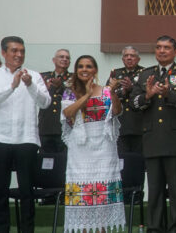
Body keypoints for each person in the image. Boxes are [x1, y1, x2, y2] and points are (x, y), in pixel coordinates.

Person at [130, 36, 176, 233]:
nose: (162, 51)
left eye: (167, 48)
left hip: (175, 142)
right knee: (155, 191)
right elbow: (133, 104)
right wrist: (148, 95)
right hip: (152, 141)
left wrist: (172, 95)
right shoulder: (145, 75)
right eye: (158, 47)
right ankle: (155, 229)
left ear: (175, 52)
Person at [0, 36, 51, 233]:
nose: (19, 55)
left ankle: (27, 230)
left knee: (27, 190)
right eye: (14, 51)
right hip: (0, 138)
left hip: (26, 139)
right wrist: (12, 86)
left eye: (22, 51)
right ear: (4, 53)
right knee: (1, 190)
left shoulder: (34, 76)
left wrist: (29, 85)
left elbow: (45, 103)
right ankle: (2, 229)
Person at [61, 55, 126, 232]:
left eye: (89, 66)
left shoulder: (105, 90)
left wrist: (112, 92)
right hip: (81, 151)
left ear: (95, 70)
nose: (84, 69)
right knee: (83, 198)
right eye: (81, 66)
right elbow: (68, 112)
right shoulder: (70, 91)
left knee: (102, 200)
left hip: (104, 149)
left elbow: (117, 111)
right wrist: (88, 94)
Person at [108, 46, 145, 154]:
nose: (129, 58)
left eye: (132, 56)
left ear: (138, 59)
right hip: (120, 125)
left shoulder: (145, 73)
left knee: (138, 163)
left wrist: (132, 89)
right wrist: (123, 93)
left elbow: (147, 95)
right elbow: (108, 94)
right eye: (126, 56)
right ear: (122, 59)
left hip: (138, 125)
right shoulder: (115, 73)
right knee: (122, 163)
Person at [39, 49, 72, 153]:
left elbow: (74, 97)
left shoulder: (74, 78)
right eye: (61, 57)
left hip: (65, 127)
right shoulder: (44, 77)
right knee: (45, 163)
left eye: (67, 57)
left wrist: (61, 87)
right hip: (46, 126)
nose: (64, 59)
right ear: (54, 60)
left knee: (63, 162)